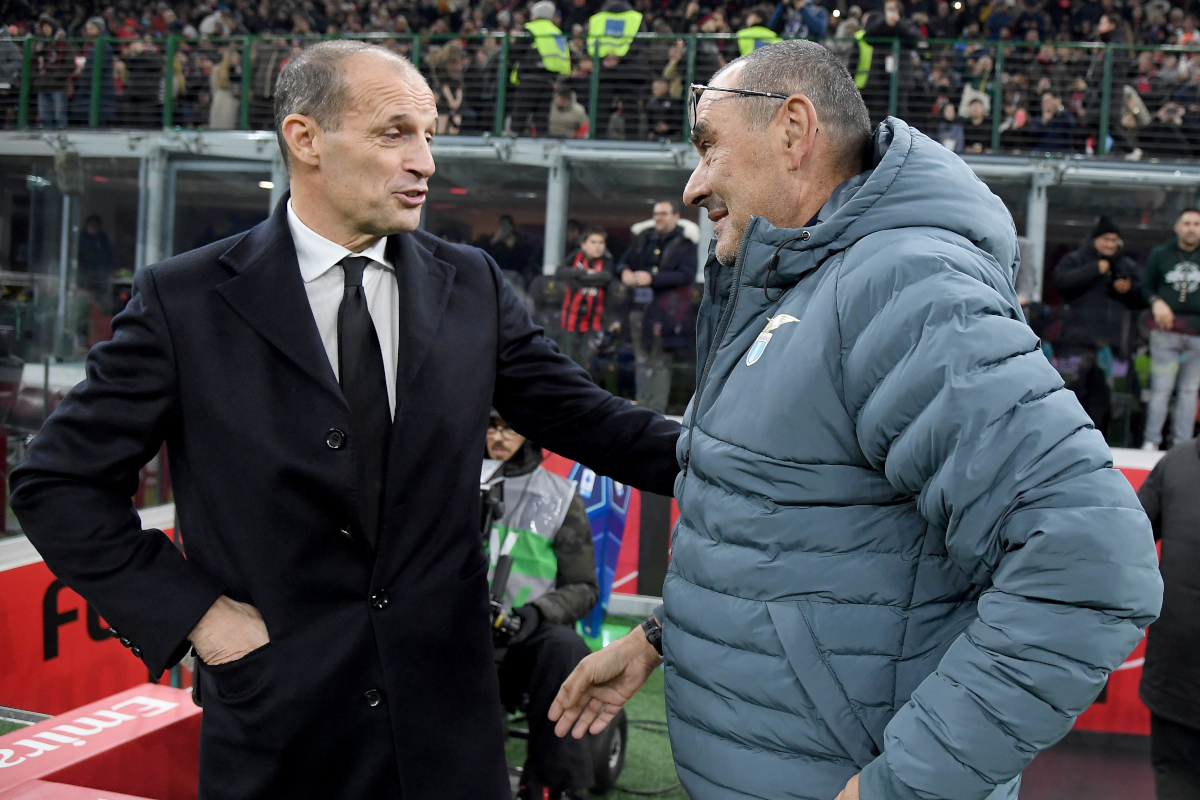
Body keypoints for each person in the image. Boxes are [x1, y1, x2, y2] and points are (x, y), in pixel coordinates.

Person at [9, 41, 680, 800]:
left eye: (430, 135)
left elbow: (598, 424)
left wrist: (754, 455)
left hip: (449, 738)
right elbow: (57, 483)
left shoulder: (474, 285)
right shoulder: (185, 301)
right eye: (395, 133)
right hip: (280, 733)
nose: (426, 161)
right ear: (305, 139)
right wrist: (198, 616)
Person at [551, 39, 1161, 800]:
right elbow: (805, 537)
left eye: (708, 146)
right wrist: (660, 637)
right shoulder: (805, 289)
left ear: (794, 130)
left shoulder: (901, 287)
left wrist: (901, 788)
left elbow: (1091, 560)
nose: (692, 183)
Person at [486, 410, 600, 800]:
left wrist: (534, 614)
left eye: (509, 427)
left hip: (522, 638)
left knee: (565, 649)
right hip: (455, 633)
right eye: (491, 427)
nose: (498, 436)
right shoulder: (450, 484)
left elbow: (584, 587)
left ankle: (553, 786)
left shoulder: (560, 498)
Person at [1137, 438, 1200, 800]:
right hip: (1177, 677)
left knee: (1178, 779)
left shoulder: (1175, 464)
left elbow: (1125, 539)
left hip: (1176, 673)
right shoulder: (1176, 464)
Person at [1050, 214, 1145, 430]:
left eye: (1114, 240)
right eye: (1106, 239)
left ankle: (1100, 437)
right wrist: (1095, 269)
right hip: (1076, 344)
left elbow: (1142, 297)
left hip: (1112, 348)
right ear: (1095, 240)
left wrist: (1129, 291)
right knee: (1072, 392)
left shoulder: (1126, 265)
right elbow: (1061, 282)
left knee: (1105, 397)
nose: (1110, 244)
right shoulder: (1077, 259)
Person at [617, 200, 697, 412]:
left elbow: (686, 275)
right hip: (638, 308)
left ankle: (657, 411)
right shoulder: (644, 238)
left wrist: (652, 278)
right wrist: (625, 272)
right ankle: (643, 408)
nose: (658, 217)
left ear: (675, 216)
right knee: (641, 360)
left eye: (663, 213)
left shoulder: (685, 244)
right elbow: (622, 263)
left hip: (667, 313)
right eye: (656, 213)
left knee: (660, 362)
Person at [1141, 207, 1200, 451]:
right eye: (1186, 223)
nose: (1191, 228)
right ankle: (1151, 442)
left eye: (1197, 224)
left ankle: (1181, 447)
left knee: (1189, 391)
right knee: (1161, 390)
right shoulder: (1161, 254)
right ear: (1177, 227)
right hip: (1166, 331)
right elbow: (1145, 288)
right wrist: (1156, 302)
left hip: (1198, 334)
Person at [555, 226, 613, 369]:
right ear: (584, 245)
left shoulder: (607, 259)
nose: (598, 246)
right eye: (593, 242)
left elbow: (605, 277)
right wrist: (586, 272)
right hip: (571, 317)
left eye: (601, 242)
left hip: (594, 320)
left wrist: (578, 278)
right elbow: (560, 272)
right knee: (566, 358)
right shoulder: (576, 256)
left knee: (586, 359)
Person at [510, 0, 569, 136]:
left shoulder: (531, 28)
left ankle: (514, 144)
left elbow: (514, 53)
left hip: (529, 79)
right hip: (549, 82)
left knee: (520, 115)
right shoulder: (557, 32)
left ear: (535, 15)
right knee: (542, 118)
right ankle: (544, 146)